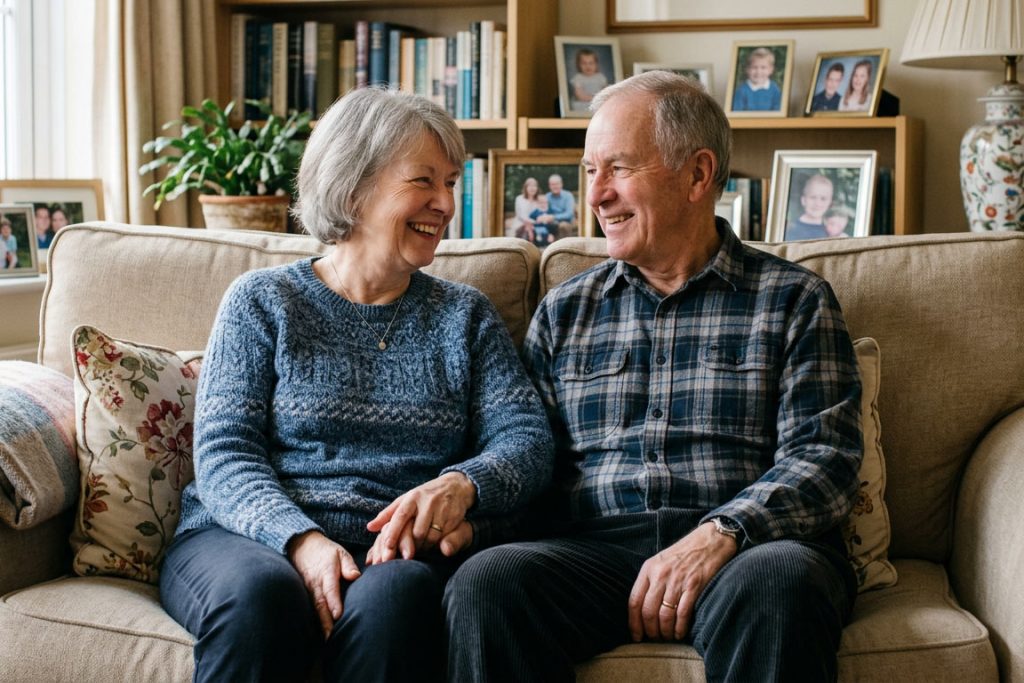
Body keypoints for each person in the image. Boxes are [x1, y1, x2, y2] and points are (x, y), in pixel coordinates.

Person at [444, 70, 863, 682]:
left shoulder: (793, 300)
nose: (596, 195)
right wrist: (469, 511)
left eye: (617, 168)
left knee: (780, 581)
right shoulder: (566, 310)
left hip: (746, 551)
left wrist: (723, 531)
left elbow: (824, 458)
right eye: (590, 171)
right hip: (595, 553)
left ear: (697, 174)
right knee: (488, 583)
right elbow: (529, 456)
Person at [158, 87, 554, 683]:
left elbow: (526, 440)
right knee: (261, 600)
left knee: (396, 604)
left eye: (451, 182)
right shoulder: (263, 302)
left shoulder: (463, 317)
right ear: (353, 188)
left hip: (390, 556)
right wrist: (302, 541)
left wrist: (460, 485)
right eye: (424, 181)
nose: (445, 203)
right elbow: (224, 454)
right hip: (245, 538)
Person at [731, 47, 782, 112]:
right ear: (747, 69)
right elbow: (737, 111)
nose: (758, 72)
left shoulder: (774, 89)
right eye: (754, 67)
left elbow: (777, 110)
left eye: (763, 67)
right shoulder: (742, 90)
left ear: (771, 70)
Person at [786, 173, 834, 241]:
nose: (817, 203)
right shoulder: (791, 229)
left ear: (830, 203)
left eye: (823, 198)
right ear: (803, 200)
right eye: (813, 197)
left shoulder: (830, 232)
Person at [511, 177, 553, 242]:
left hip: (536, 223)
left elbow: (544, 212)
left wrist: (541, 219)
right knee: (525, 230)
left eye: (534, 186)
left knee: (542, 229)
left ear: (537, 188)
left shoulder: (539, 200)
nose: (532, 188)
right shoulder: (519, 198)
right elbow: (519, 215)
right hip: (521, 222)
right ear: (526, 188)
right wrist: (529, 224)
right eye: (530, 186)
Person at [570, 48, 608, 112]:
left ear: (596, 64)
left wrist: (600, 99)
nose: (588, 66)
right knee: (577, 106)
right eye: (584, 63)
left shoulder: (600, 77)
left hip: (598, 101)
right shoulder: (578, 78)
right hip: (584, 102)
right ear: (578, 65)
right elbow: (579, 94)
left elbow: (605, 90)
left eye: (591, 63)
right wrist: (592, 98)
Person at [545, 173, 577, 239]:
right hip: (551, 223)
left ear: (561, 184)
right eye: (552, 184)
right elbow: (544, 211)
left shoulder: (568, 195)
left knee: (563, 226)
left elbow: (569, 214)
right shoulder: (547, 196)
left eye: (557, 184)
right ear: (549, 186)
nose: (555, 186)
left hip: (566, 222)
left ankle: (562, 248)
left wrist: (554, 217)